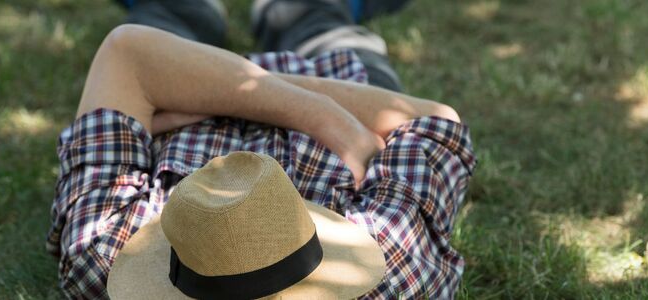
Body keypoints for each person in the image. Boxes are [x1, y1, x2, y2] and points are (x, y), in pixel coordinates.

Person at [46, 0, 477, 299]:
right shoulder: (387, 276)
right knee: (314, 15)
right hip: (339, 84)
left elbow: (127, 53)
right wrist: (320, 111)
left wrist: (216, 87)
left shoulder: (105, 257)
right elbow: (433, 120)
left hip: (189, 89)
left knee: (172, 11)